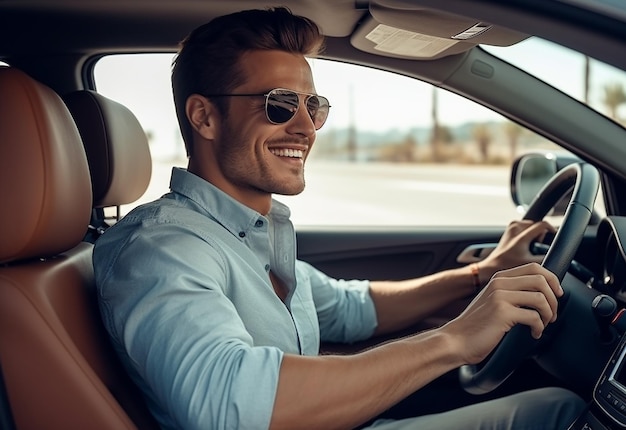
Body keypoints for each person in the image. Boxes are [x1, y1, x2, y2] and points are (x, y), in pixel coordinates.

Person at [93, 7, 586, 430]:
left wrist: (481, 274)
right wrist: (453, 340)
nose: (306, 127)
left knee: (559, 406)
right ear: (204, 117)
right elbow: (233, 403)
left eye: (314, 106)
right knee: (562, 412)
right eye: (280, 105)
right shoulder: (161, 248)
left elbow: (352, 307)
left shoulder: (248, 232)